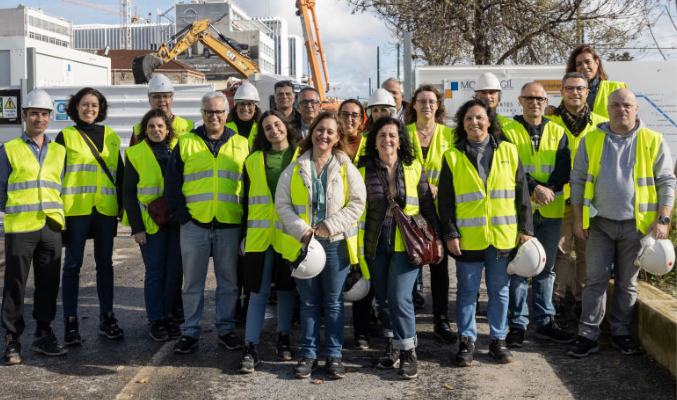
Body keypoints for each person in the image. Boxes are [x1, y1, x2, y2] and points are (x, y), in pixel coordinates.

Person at [568, 89, 677, 358]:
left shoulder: (653, 140)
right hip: (599, 223)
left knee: (628, 283)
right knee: (594, 281)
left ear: (636, 108)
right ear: (608, 108)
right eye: (615, 105)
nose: (621, 109)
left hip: (637, 226)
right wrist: (579, 219)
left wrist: (663, 219)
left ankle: (620, 332)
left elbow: (667, 181)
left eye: (626, 105)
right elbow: (578, 180)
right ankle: (588, 335)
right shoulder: (591, 139)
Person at [438, 98, 534, 366]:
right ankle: (466, 340)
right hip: (468, 238)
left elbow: (521, 194)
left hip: (502, 236)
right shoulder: (452, 155)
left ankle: (497, 340)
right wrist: (450, 234)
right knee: (467, 292)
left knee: (499, 291)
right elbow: (445, 201)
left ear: (490, 121)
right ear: (462, 125)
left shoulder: (509, 151)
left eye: (479, 117)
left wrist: (526, 229)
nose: (474, 122)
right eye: (468, 119)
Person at [276, 113, 366, 380]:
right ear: (311, 132)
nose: (323, 135)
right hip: (306, 246)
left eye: (330, 132)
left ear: (338, 137)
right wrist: (302, 231)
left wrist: (331, 225)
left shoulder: (345, 166)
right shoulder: (295, 167)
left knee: (334, 303)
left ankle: (335, 356)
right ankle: (309, 355)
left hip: (335, 245)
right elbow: (282, 204)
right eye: (319, 129)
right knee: (309, 303)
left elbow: (357, 204)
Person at [356, 117, 443, 379]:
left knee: (400, 297)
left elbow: (427, 206)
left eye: (392, 135)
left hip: (408, 242)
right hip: (375, 240)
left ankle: (408, 351)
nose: (387, 140)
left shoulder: (414, 166)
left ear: (400, 139)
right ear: (374, 141)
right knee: (383, 298)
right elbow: (358, 210)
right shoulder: (363, 169)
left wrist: (437, 237)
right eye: (381, 135)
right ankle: (393, 345)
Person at [165, 91, 249, 354]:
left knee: (229, 283)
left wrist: (245, 223)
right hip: (194, 225)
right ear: (201, 114)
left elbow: (250, 186)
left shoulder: (242, 144)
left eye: (219, 112)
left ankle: (226, 330)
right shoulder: (187, 142)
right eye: (209, 112)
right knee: (192, 284)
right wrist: (184, 218)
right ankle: (190, 332)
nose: (214, 116)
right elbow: (172, 184)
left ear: (227, 114)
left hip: (229, 224)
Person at [502, 82, 574, 347]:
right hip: (519, 211)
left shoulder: (557, 131)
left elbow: (564, 167)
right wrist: (535, 188)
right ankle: (518, 325)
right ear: (520, 100)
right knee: (520, 268)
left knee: (547, 268)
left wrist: (550, 189)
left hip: (552, 209)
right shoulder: (508, 131)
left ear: (547, 102)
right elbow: (512, 167)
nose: (535, 103)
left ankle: (544, 321)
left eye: (540, 99)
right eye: (529, 98)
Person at [1, 90, 67, 365]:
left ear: (50, 118)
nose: (39, 118)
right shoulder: (9, 149)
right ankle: (11, 339)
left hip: (50, 226)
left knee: (49, 284)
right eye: (34, 114)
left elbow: (60, 185)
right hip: (21, 227)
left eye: (44, 114)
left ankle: (43, 333)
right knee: (15, 284)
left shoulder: (60, 151)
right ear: (25, 115)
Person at [57, 87, 125, 346]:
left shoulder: (111, 136)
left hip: (105, 210)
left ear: (101, 108)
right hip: (76, 209)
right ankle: (70, 322)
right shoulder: (66, 136)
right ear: (75, 107)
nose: (89, 109)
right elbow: (57, 174)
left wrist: (120, 205)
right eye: (85, 105)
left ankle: (107, 318)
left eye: (94, 105)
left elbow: (118, 172)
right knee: (73, 265)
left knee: (105, 264)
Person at [237, 110, 301, 373]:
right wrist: (243, 235)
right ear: (262, 134)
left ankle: (283, 338)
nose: (274, 130)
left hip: (289, 235)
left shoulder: (301, 157)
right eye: (267, 128)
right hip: (259, 236)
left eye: (277, 125)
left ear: (286, 126)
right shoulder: (252, 160)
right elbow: (246, 201)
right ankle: (250, 346)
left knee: (286, 291)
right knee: (258, 292)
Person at [549, 72, 608, 326]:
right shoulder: (550, 121)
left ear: (587, 92)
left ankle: (583, 302)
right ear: (562, 91)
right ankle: (557, 302)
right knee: (559, 253)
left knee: (587, 253)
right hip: (560, 200)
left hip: (591, 203)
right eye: (570, 88)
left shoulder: (603, 123)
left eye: (580, 88)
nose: (575, 92)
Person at [123, 109, 183, 342]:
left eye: (160, 126)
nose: (156, 130)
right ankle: (156, 318)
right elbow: (128, 193)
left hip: (175, 222)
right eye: (151, 126)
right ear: (144, 130)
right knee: (156, 272)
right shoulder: (135, 153)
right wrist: (137, 228)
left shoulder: (176, 152)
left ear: (168, 130)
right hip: (150, 224)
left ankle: (167, 315)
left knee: (175, 272)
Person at [403, 84, 456, 344]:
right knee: (410, 261)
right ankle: (405, 319)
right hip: (411, 209)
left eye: (432, 101)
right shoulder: (403, 134)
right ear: (413, 105)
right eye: (421, 101)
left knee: (439, 264)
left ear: (438, 106)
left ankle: (441, 319)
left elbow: (459, 169)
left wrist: (440, 187)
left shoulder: (451, 135)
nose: (427, 105)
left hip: (441, 209)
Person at [129, 74, 194, 147]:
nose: (162, 100)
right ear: (149, 99)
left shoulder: (187, 128)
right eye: (156, 96)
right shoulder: (138, 130)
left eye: (166, 96)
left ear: (172, 99)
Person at [566, 45, 627, 119]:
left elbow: (628, 118)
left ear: (597, 62)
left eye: (587, 62)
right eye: (579, 64)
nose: (584, 67)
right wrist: (552, 110)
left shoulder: (617, 88)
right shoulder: (569, 93)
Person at [226, 82, 261, 149]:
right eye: (242, 104)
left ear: (255, 108)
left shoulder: (261, 128)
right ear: (236, 108)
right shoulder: (225, 129)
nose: (245, 108)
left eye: (249, 104)